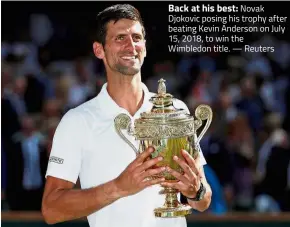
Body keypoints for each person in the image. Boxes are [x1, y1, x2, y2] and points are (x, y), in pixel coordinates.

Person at [42, 4, 212, 227]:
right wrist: (119, 187)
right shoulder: (77, 121)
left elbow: (203, 200)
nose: (131, 45)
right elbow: (51, 209)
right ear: (99, 50)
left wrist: (195, 190)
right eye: (120, 38)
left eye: (137, 37)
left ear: (145, 46)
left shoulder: (176, 110)